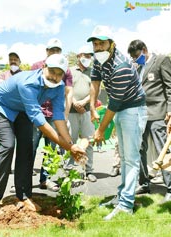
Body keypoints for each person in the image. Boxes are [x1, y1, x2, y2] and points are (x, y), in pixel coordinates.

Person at [0, 54, 86, 212]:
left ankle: (23, 196)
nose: (55, 77)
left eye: (60, 73)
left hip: (22, 110)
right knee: (8, 145)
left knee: (27, 149)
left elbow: (58, 116)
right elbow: (39, 121)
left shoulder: (59, 87)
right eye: (52, 71)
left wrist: (71, 144)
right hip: (0, 106)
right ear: (44, 68)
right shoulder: (27, 83)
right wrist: (68, 147)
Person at [87, 25, 147, 220]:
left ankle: (126, 204)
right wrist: (93, 109)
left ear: (112, 44)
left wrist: (100, 131)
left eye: (102, 43)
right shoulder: (98, 59)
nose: (98, 47)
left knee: (130, 158)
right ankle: (122, 196)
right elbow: (94, 82)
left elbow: (113, 103)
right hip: (121, 108)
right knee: (123, 156)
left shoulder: (121, 66)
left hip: (132, 109)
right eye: (95, 44)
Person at [128, 40, 171, 202]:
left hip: (158, 113)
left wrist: (170, 110)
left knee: (163, 150)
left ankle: (170, 187)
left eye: (137, 56)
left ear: (145, 50)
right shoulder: (137, 67)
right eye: (132, 57)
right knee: (139, 149)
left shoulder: (161, 60)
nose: (135, 59)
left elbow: (170, 86)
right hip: (140, 114)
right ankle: (144, 183)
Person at [31, 38, 73, 191]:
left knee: (51, 149)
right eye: (52, 50)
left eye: (58, 50)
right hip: (36, 113)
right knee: (30, 147)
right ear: (46, 51)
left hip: (53, 113)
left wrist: (65, 114)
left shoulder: (66, 70)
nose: (55, 52)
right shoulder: (36, 66)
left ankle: (45, 179)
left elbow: (68, 92)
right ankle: (23, 179)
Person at [66, 45, 97, 182]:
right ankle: (68, 170)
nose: (87, 58)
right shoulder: (69, 71)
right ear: (78, 56)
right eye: (85, 55)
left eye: (89, 56)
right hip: (71, 111)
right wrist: (74, 102)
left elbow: (96, 91)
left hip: (87, 112)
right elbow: (66, 89)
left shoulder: (94, 71)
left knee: (88, 140)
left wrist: (83, 102)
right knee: (69, 141)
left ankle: (89, 170)